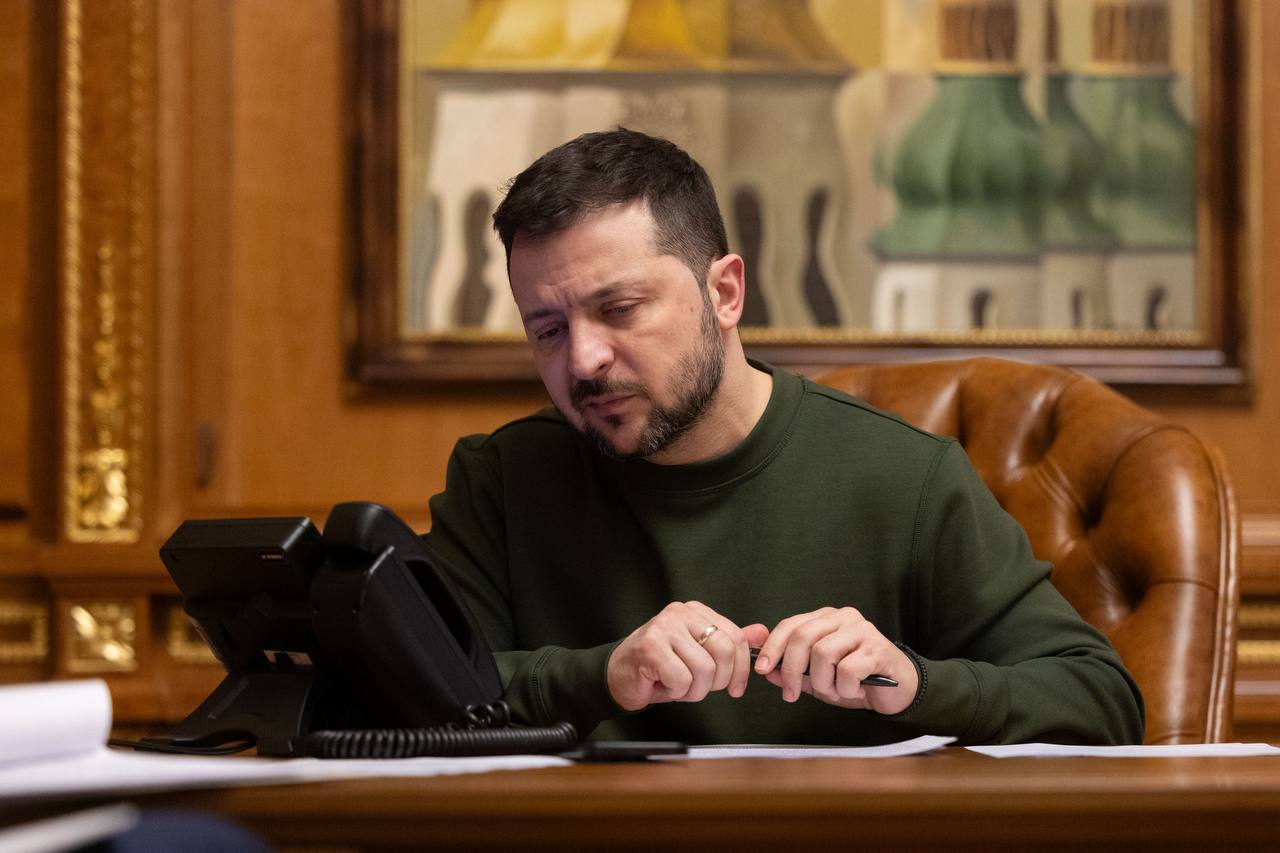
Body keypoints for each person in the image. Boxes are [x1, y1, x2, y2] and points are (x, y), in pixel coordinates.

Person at [422, 128, 1144, 746]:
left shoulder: (906, 477)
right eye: (548, 330)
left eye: (620, 309)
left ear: (725, 293)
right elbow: (412, 697)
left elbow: (1100, 700)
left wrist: (914, 682)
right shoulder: (502, 480)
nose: (582, 360)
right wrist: (605, 674)